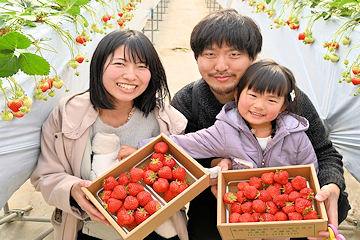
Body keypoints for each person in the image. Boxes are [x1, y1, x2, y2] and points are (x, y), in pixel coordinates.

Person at [170, 8, 350, 240]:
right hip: (220, 195)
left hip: (282, 194)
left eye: (234, 54)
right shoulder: (188, 100)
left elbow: (324, 152)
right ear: (197, 58)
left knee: (336, 204)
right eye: (210, 54)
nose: (221, 65)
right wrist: (215, 164)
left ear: (253, 58)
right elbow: (177, 157)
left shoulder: (288, 97)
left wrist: (331, 186)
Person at [30, 29, 189, 240]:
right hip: (91, 229)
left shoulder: (167, 120)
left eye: (142, 66)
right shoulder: (67, 115)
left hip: (157, 228)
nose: (130, 75)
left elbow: (181, 178)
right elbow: (45, 176)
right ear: (99, 66)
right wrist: (72, 189)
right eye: (120, 64)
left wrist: (148, 161)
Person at [166, 60, 318, 177]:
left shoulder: (295, 135)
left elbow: (310, 174)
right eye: (253, 95)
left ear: (283, 107)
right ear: (237, 95)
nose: (259, 105)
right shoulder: (224, 131)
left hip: (283, 209)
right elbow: (183, 144)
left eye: (271, 100)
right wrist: (144, 147)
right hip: (241, 207)